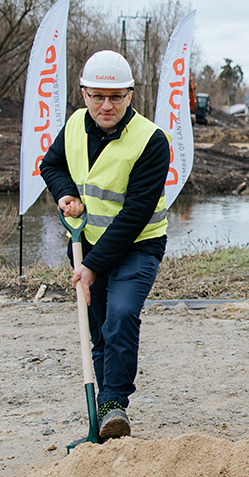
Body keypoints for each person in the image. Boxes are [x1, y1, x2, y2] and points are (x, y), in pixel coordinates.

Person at [40, 50, 170, 440]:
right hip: (85, 242)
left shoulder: (151, 140)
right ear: (84, 95)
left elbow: (134, 216)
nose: (106, 105)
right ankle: (104, 410)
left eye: (115, 97)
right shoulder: (75, 125)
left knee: (122, 316)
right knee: (96, 330)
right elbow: (52, 165)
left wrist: (94, 266)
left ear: (130, 96)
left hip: (138, 246)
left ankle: (115, 402)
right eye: (98, 96)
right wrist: (65, 194)